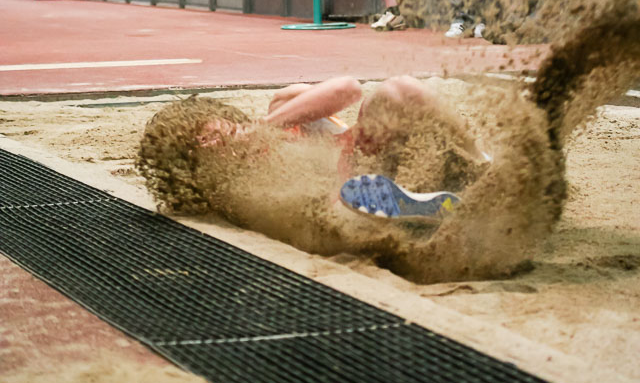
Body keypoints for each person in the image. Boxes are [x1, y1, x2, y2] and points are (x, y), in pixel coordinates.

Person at [137, 74, 486, 258]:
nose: (210, 142)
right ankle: (419, 211)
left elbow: (349, 89)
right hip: (351, 204)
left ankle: (481, 167)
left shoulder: (283, 108)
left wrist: (265, 128)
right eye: (198, 148)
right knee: (343, 207)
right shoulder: (236, 194)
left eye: (204, 132)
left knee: (399, 89)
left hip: (376, 155)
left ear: (212, 116)